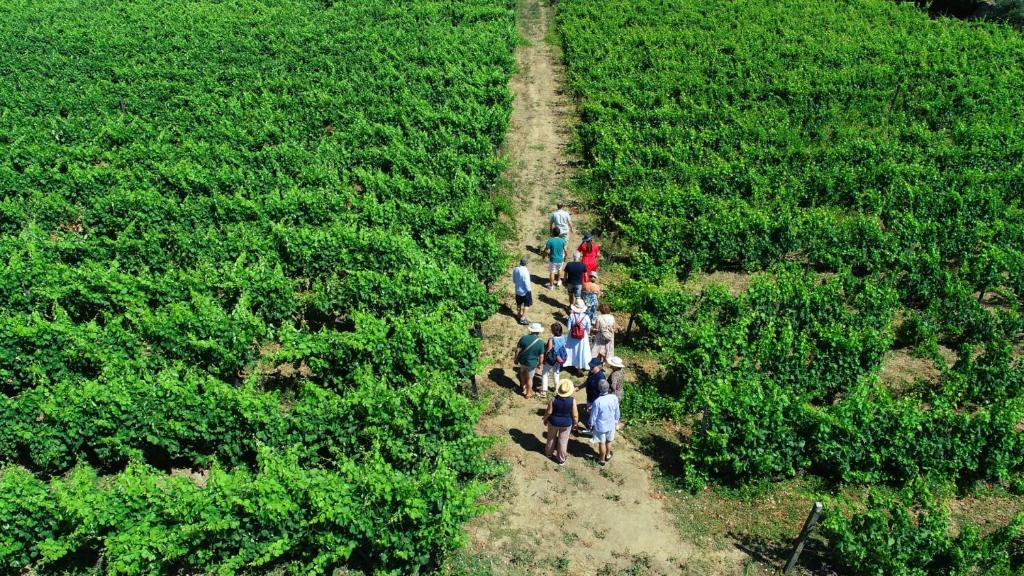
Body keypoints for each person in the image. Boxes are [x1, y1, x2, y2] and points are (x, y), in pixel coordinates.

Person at [543, 379, 578, 465]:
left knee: (551, 438)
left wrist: (545, 419)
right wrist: (575, 423)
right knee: (563, 441)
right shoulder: (572, 401)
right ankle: (561, 459)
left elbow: (549, 412)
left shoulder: (553, 399)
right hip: (566, 424)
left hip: (553, 422)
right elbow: (575, 415)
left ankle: (548, 453)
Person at [589, 379, 620, 465]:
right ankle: (608, 455)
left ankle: (601, 459)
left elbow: (593, 416)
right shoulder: (614, 398)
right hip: (611, 424)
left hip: (600, 426)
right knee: (609, 441)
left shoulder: (597, 401)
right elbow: (617, 411)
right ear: (608, 388)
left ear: (599, 389)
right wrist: (616, 421)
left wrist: (591, 424)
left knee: (602, 442)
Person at [514, 323, 545, 398]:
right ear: (539, 332)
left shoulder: (524, 338)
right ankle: (528, 393)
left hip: (522, 361)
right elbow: (541, 356)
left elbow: (517, 350)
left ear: (531, 330)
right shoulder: (540, 343)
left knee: (522, 373)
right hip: (532, 363)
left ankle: (523, 386)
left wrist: (516, 359)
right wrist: (540, 364)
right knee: (530, 378)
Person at [575, 357, 605, 432]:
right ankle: (591, 425)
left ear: (598, 367)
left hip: (596, 400)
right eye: (590, 366)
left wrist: (596, 403)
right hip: (590, 397)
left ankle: (591, 430)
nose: (590, 367)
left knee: (594, 415)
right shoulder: (591, 373)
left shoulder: (601, 377)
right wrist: (579, 387)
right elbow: (587, 382)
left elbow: (603, 391)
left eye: (592, 366)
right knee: (590, 413)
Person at [564, 300, 592, 372]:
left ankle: (571, 362)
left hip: (572, 335)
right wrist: (587, 333)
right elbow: (588, 327)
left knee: (572, 350)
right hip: (582, 336)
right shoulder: (586, 317)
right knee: (582, 350)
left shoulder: (571, 315)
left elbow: (568, 327)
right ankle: (580, 365)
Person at [541, 323, 567, 398]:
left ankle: (544, 391)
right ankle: (557, 389)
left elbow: (549, 349)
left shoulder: (551, 339)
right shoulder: (563, 337)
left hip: (551, 358)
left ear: (553, 331)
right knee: (556, 373)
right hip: (559, 359)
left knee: (545, 373)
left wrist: (545, 358)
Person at [512, 256, 532, 325]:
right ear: (526, 263)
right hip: (525, 291)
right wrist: (529, 291)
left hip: (517, 291)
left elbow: (514, 280)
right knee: (527, 305)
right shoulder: (525, 271)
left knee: (519, 304)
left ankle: (518, 315)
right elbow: (527, 283)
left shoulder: (516, 269)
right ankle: (523, 319)